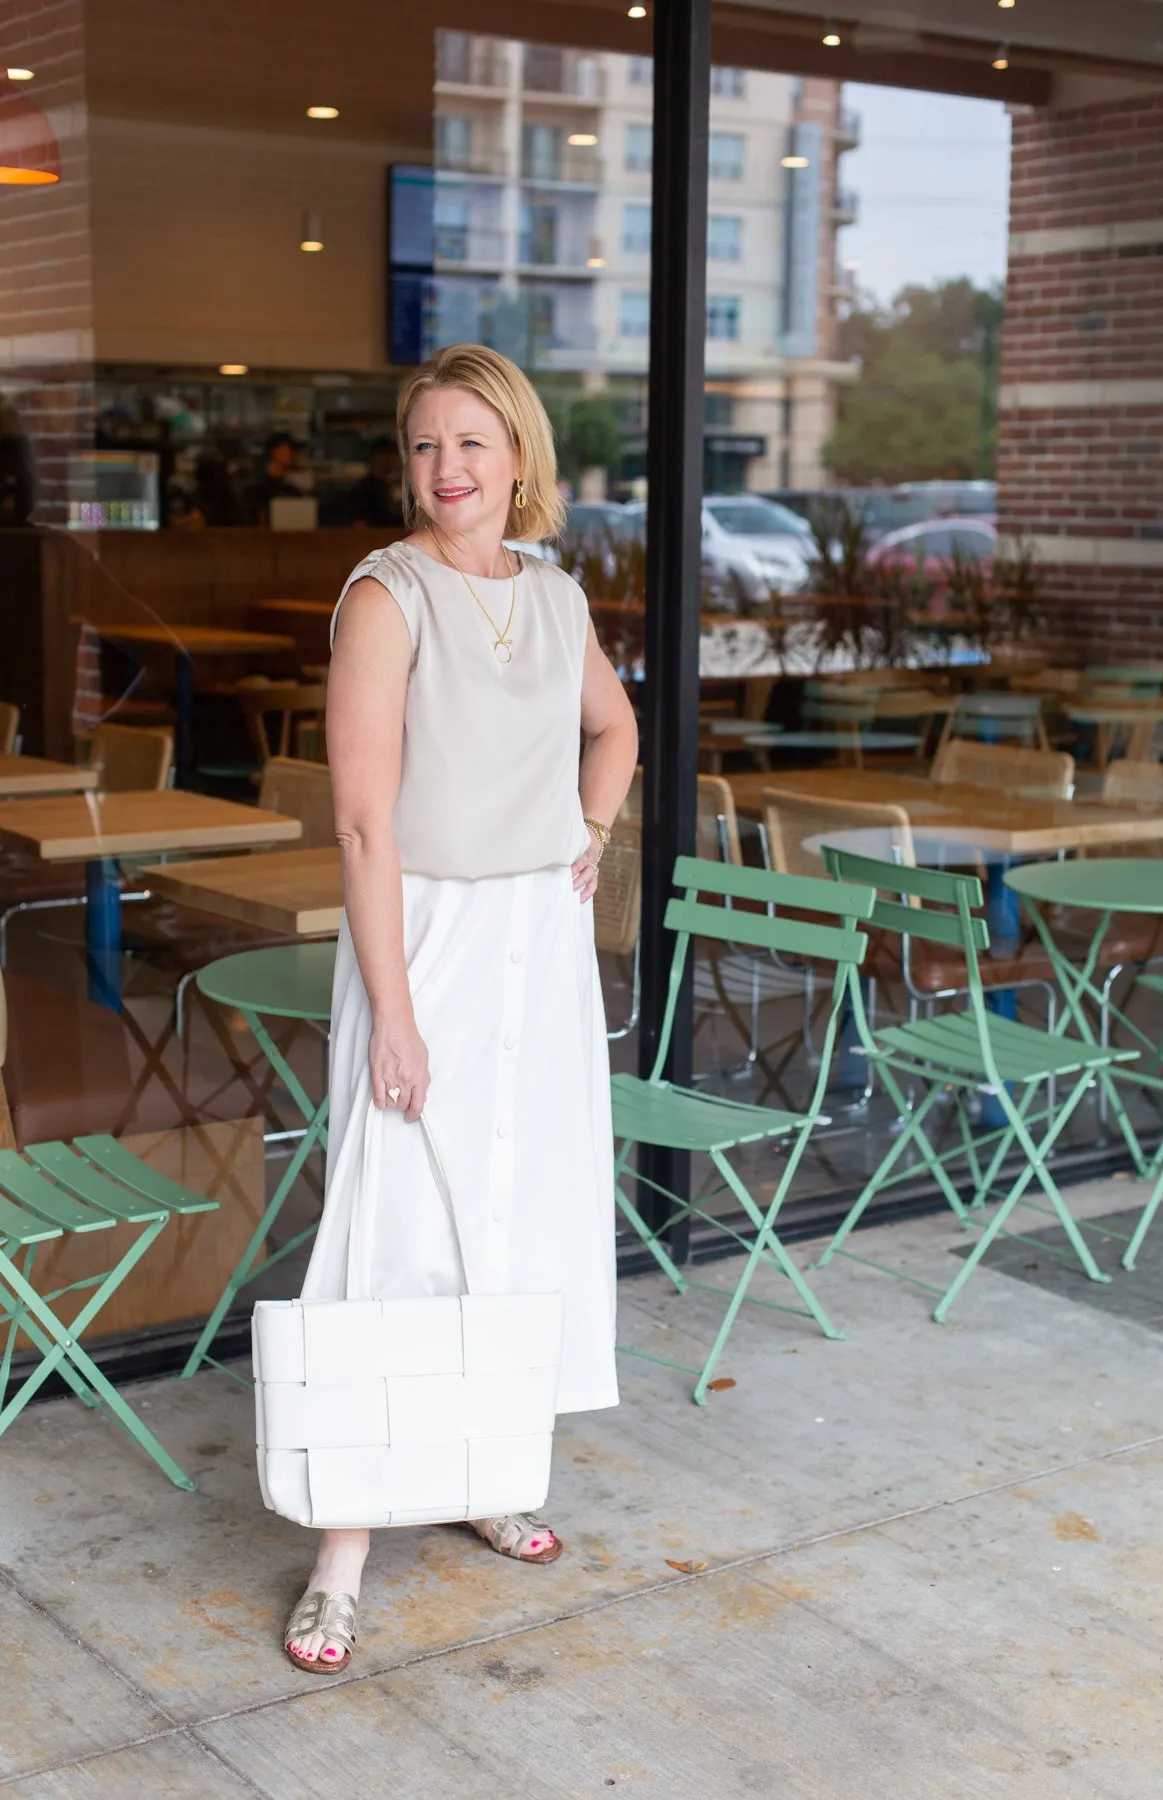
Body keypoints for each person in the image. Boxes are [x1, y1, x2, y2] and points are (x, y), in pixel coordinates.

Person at [281, 343, 639, 1671]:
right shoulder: (388, 596)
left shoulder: (554, 596)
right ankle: (342, 1549)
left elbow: (617, 729)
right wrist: (395, 1012)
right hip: (422, 935)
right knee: (394, 1222)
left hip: (537, 946)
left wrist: (587, 833)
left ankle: (485, 1471)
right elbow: (362, 824)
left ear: (519, 455)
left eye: (472, 442)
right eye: (426, 444)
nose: (447, 467)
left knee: (517, 1211)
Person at [345, 435, 402, 527]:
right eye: (384, 455)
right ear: (374, 458)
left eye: (392, 455)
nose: (388, 460)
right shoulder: (362, 490)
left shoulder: (407, 488)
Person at [247, 430, 302, 524]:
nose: (292, 454)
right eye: (288, 449)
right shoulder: (256, 489)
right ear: (274, 451)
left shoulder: (291, 490)